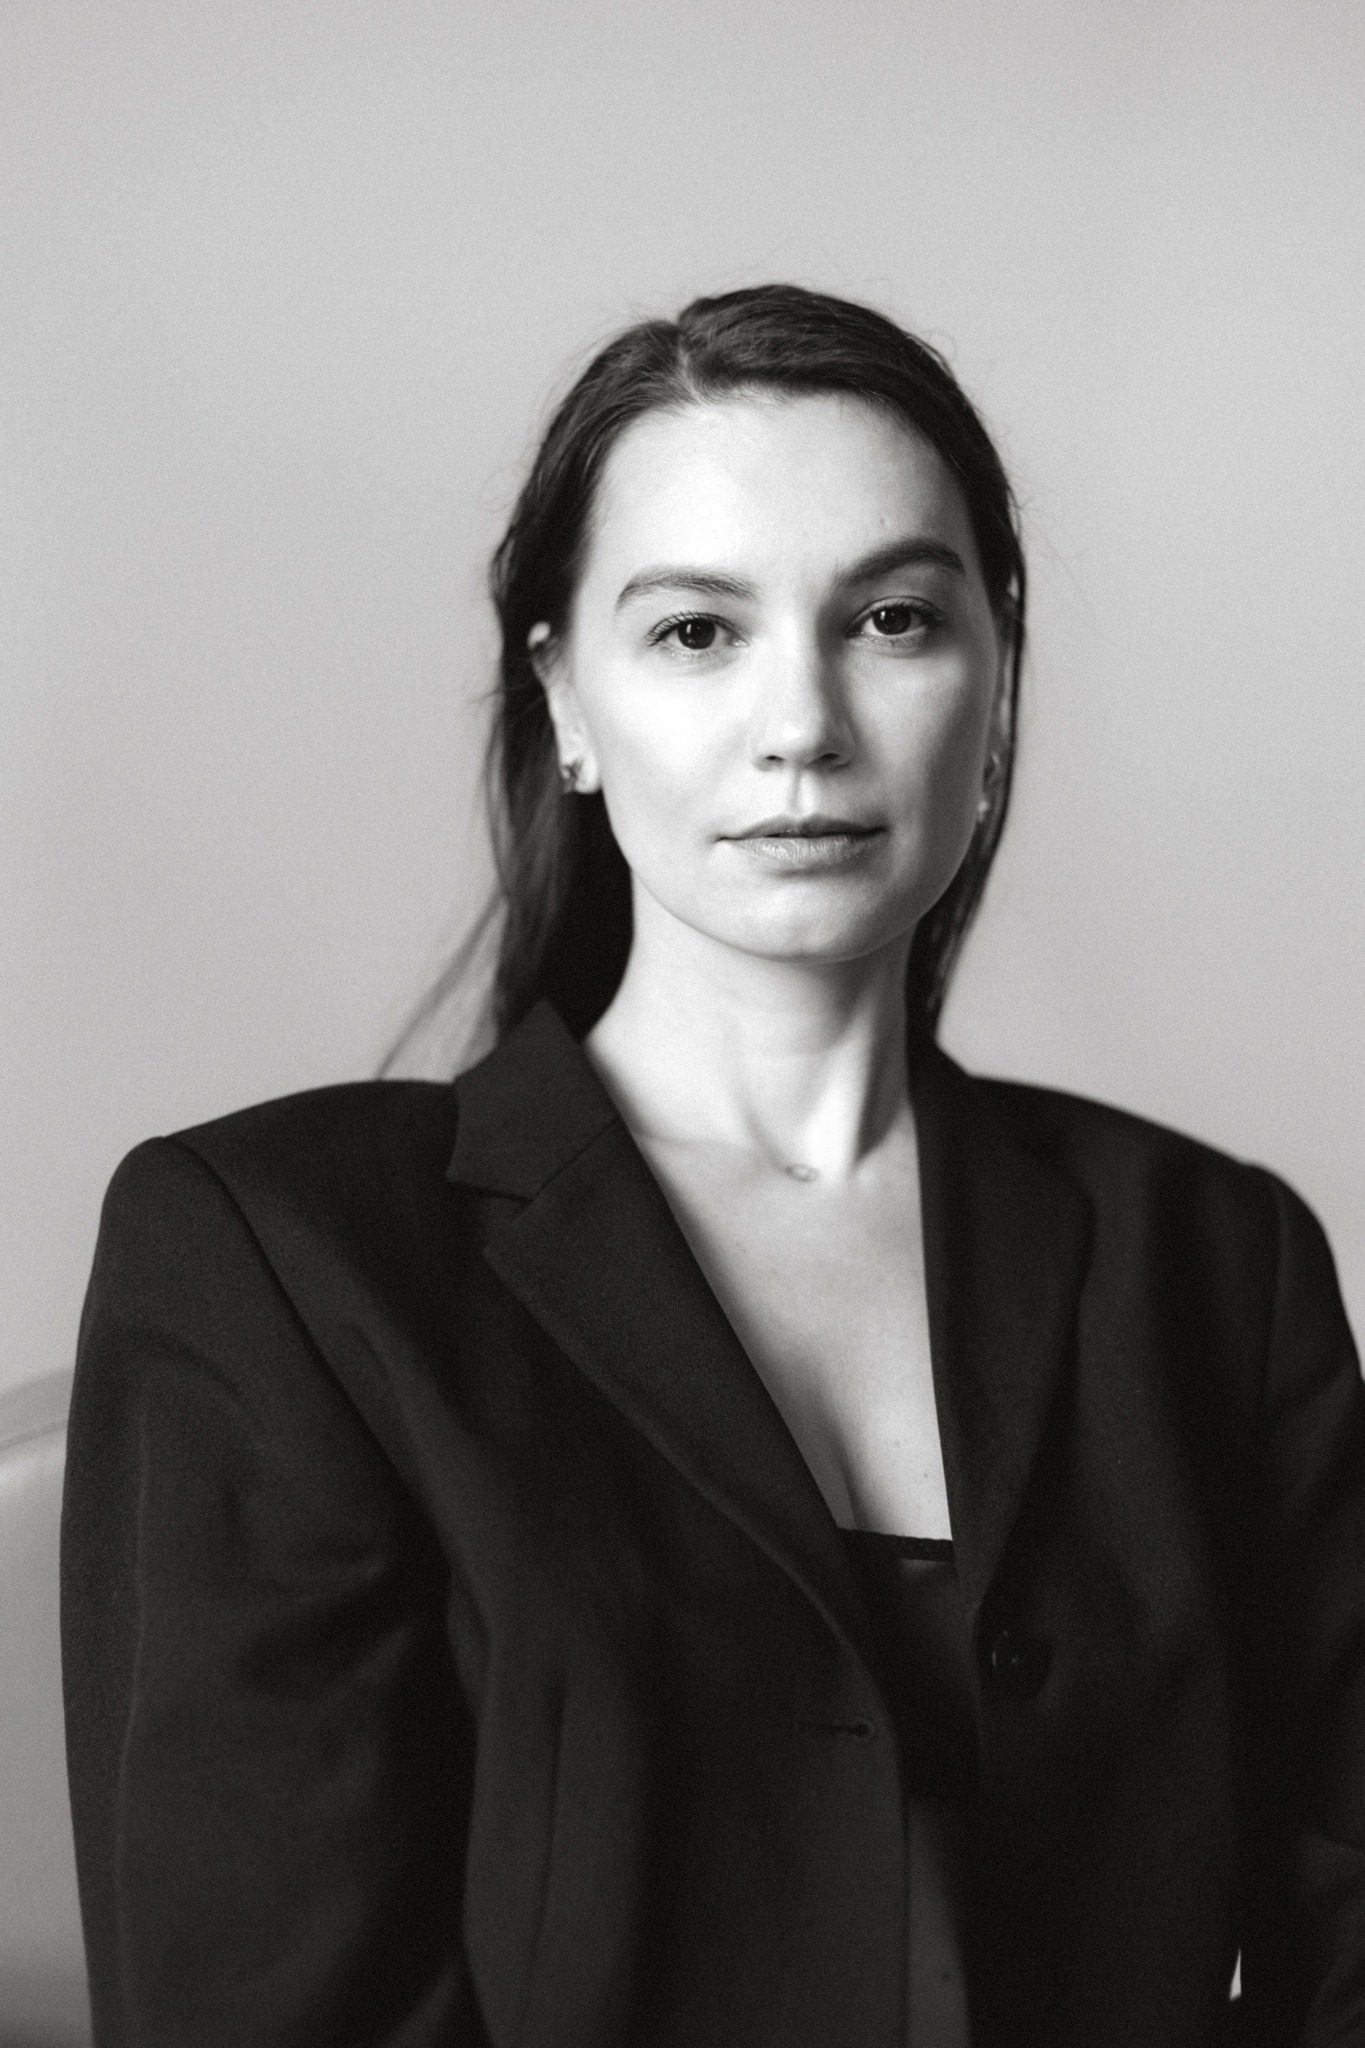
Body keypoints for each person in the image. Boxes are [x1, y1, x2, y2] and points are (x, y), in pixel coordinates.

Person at [61, 284, 1365, 2048]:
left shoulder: (1217, 1260)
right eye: (694, 631)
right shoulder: (281, 1257)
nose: (801, 723)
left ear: (994, 682)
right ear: (565, 702)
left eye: (892, 619)